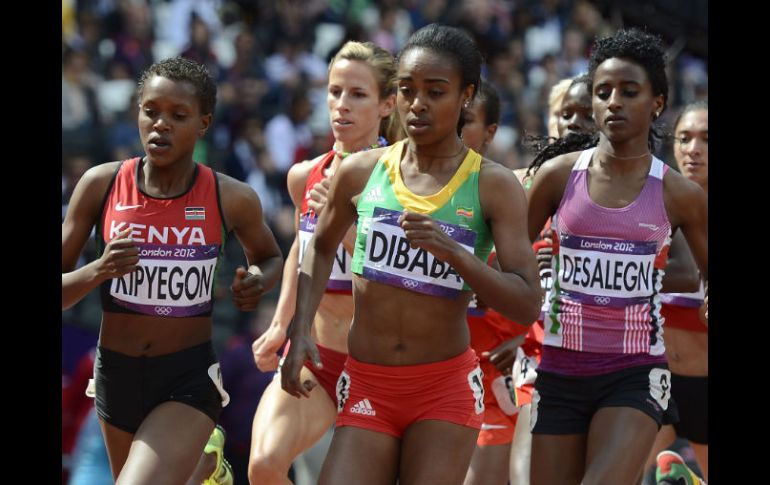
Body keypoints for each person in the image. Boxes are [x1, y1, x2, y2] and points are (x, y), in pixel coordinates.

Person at [281, 24, 542, 485]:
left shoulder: (493, 185)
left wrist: (452, 252)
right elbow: (319, 248)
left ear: (466, 95)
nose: (417, 103)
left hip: (442, 388)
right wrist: (298, 327)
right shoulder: (361, 171)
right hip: (367, 381)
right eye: (407, 89)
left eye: (435, 91)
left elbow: (525, 301)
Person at [61, 57, 284, 484]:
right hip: (117, 374)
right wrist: (100, 269)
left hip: (186, 377)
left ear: (203, 123)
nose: (160, 125)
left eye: (178, 116)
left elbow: (270, 256)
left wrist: (258, 280)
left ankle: (200, 458)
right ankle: (204, 467)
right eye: (151, 112)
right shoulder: (100, 185)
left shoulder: (230, 196)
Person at [525, 29, 708, 484]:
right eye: (603, 92)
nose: (613, 102)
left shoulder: (677, 193)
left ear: (657, 103)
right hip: (558, 368)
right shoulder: (556, 177)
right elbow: (508, 261)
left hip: (635, 371)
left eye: (629, 92)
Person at [248, 40, 401, 485]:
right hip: (317, 357)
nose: (341, 105)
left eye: (357, 95)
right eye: (335, 92)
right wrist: (281, 323)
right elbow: (304, 246)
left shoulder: (402, 180)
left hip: (377, 370)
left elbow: (397, 279)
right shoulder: (305, 174)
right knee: (263, 466)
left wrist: (345, 223)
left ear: (386, 104)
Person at [460, 80, 530, 485]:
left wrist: (524, 341)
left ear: (490, 131)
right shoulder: (413, 187)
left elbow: (541, 287)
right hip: (441, 365)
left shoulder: (512, 192)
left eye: (466, 121)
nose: (453, 128)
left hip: (499, 370)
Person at [644, 100, 709, 483]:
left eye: (706, 138)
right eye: (684, 138)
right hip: (655, 381)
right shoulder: (650, 209)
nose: (693, 148)